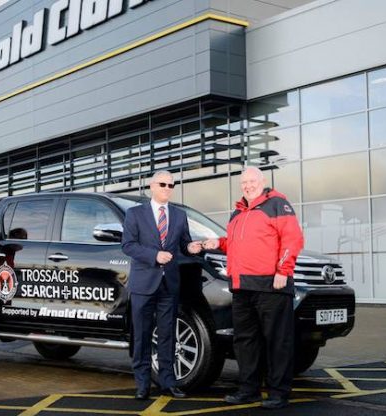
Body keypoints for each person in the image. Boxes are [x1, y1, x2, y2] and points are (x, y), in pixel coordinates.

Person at [203, 166, 304, 409]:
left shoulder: (278, 204)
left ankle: (279, 392)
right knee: (245, 341)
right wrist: (217, 242)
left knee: (277, 341)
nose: (248, 185)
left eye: (252, 181)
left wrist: (283, 270)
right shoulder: (237, 213)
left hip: (271, 285)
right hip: (241, 287)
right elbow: (236, 244)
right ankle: (249, 390)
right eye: (244, 182)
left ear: (262, 181)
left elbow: (293, 238)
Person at [121, 170, 203, 400]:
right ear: (152, 187)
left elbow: (185, 244)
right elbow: (128, 245)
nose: (167, 188)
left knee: (168, 335)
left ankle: (168, 383)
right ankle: (142, 384)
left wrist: (192, 247)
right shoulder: (135, 214)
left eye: (171, 185)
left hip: (170, 283)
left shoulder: (178, 215)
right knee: (142, 336)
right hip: (143, 283)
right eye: (163, 184)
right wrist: (154, 256)